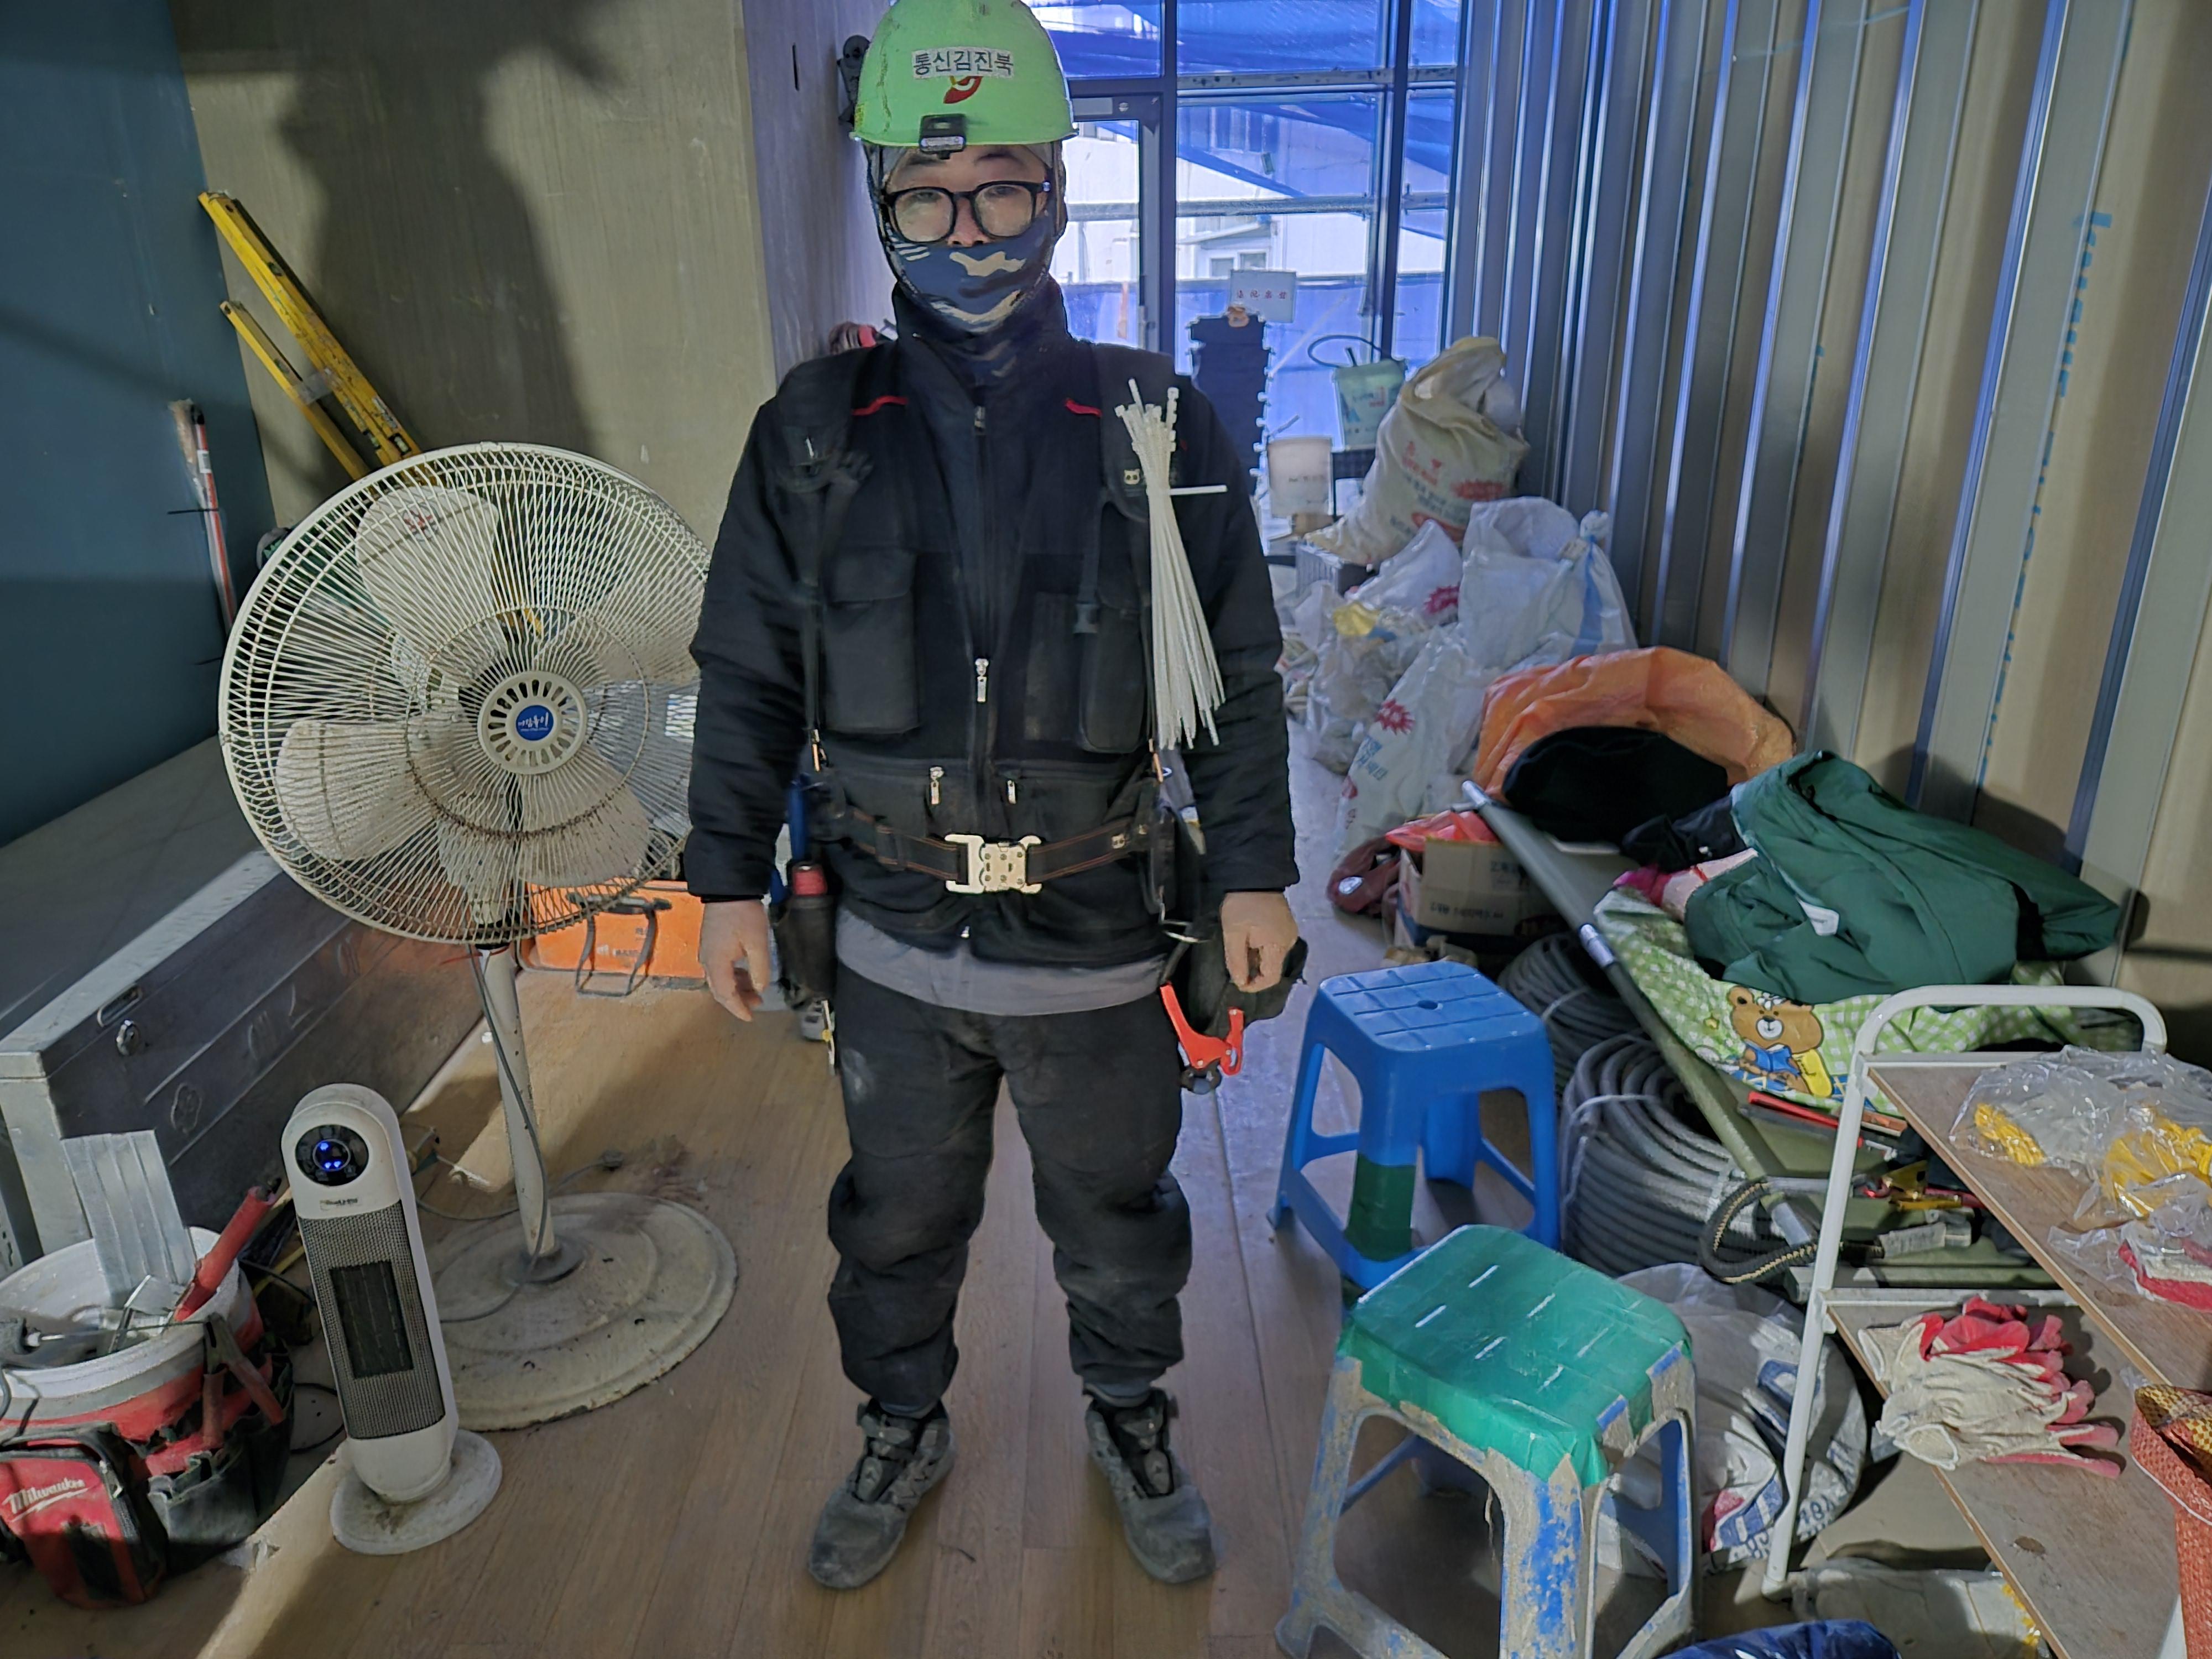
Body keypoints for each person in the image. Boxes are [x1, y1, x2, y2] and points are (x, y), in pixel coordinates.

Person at [685, 0, 1298, 1593]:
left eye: (1005, 189)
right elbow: (746, 673)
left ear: (1058, 191)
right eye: (930, 196)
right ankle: (902, 1424)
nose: (970, 234)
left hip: (1097, 932)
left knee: (1119, 1211)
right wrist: (726, 881)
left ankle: (1130, 1414)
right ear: (882, 197)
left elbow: (1235, 672)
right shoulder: (810, 436)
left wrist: (1253, 868)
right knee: (894, 1219)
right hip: (889, 937)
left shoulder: (1158, 425)